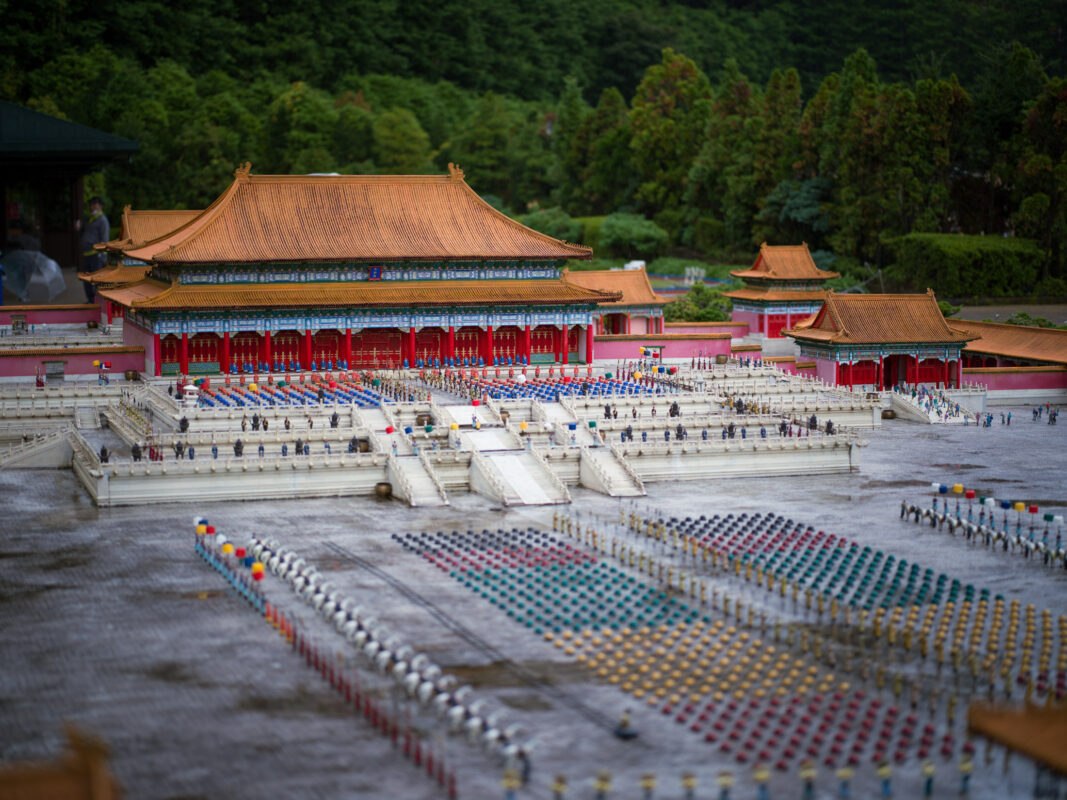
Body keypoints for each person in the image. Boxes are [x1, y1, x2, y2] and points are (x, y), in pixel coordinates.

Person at [77, 196, 110, 302]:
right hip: (86, 253)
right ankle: (90, 300)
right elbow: (83, 235)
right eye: (91, 205)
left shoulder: (102, 220)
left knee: (96, 279)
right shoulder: (88, 219)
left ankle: (98, 301)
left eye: (95, 204)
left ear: (101, 206)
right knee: (86, 279)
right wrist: (78, 229)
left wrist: (103, 256)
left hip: (96, 254)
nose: (92, 207)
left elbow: (104, 239)